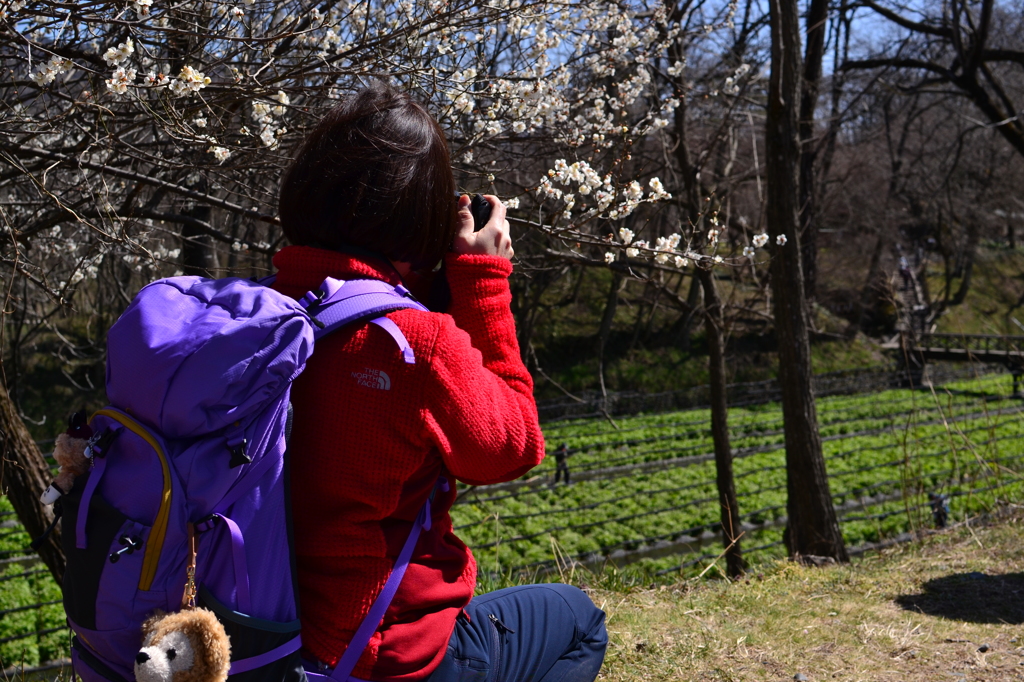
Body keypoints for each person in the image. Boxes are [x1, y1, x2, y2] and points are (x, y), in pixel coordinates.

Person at [272, 82, 607, 682]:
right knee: (579, 619)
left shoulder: (261, 315)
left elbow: (349, 309)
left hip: (265, 638)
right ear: (417, 218)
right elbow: (513, 446)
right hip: (379, 652)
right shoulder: (417, 345)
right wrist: (482, 280)